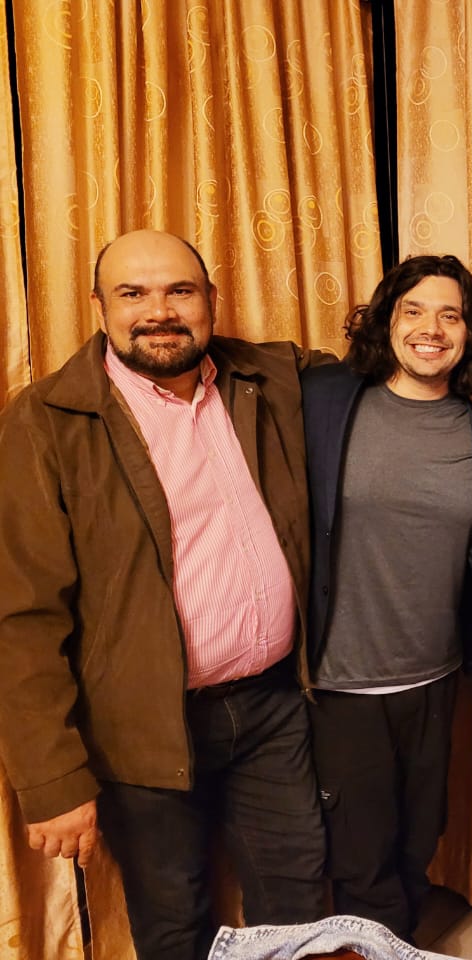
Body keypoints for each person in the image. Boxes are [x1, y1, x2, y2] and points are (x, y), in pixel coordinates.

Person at [0, 229, 328, 960]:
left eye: (180, 291)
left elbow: (382, 367)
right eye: (133, 293)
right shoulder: (45, 420)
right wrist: (51, 780)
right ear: (99, 307)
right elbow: (21, 617)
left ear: (212, 300)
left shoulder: (265, 375)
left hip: (273, 708)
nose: (159, 312)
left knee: (298, 909)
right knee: (173, 920)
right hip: (138, 728)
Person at [301, 254, 472, 944]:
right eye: (413, 310)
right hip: (343, 680)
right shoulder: (328, 398)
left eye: (450, 315)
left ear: (469, 332)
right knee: (361, 855)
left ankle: (394, 946)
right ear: (387, 319)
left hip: (435, 676)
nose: (431, 329)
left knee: (419, 840)